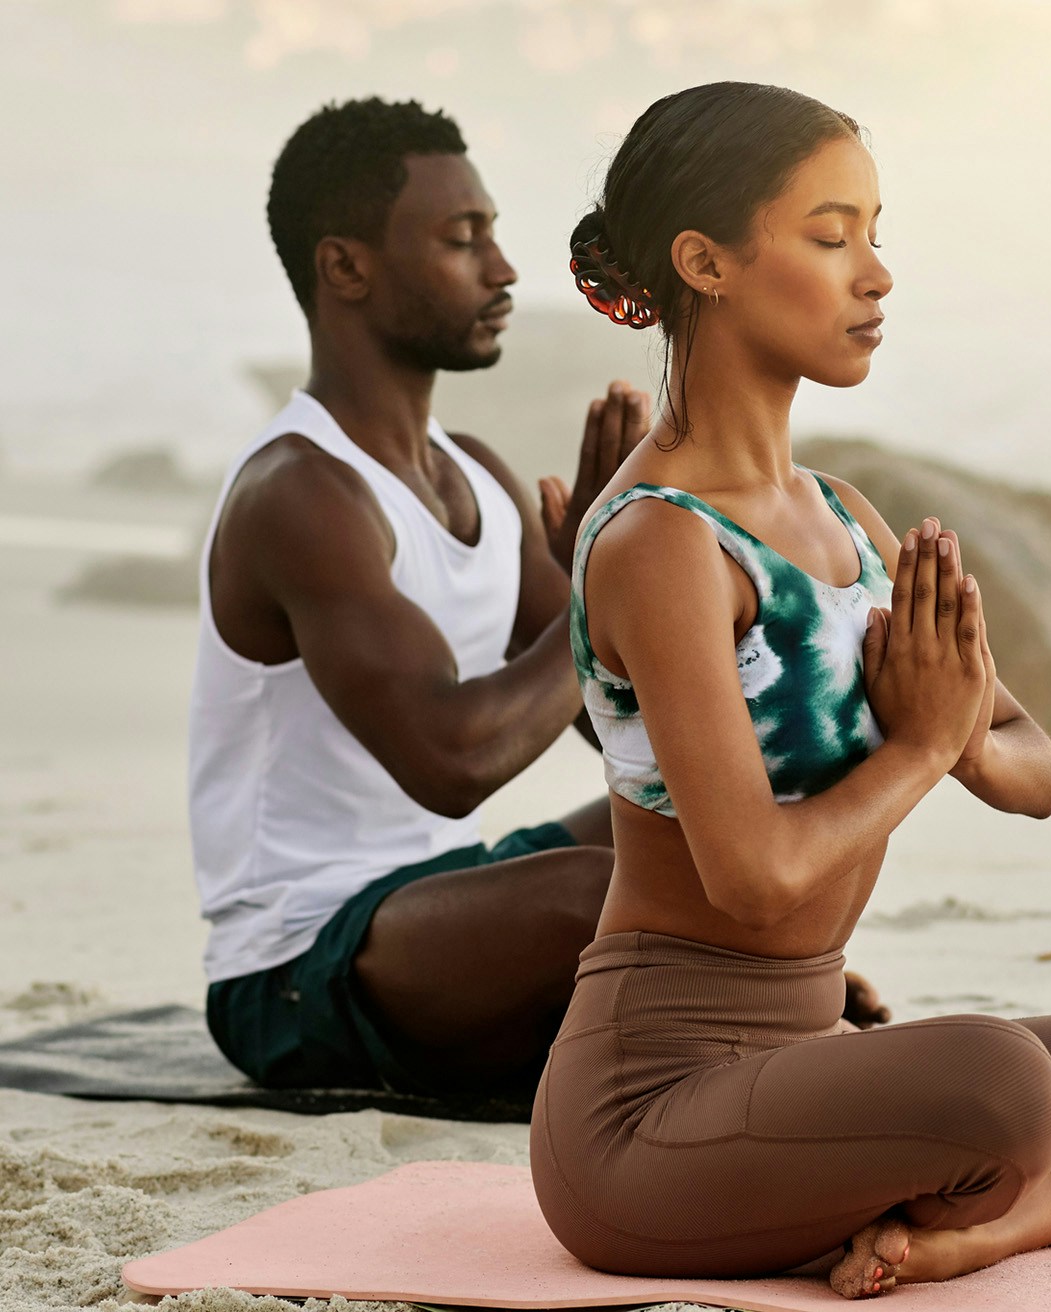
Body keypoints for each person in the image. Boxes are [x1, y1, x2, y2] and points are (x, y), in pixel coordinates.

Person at [529, 82, 1051, 1299]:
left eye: (878, 234)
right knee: (1002, 1085)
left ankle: (995, 1226)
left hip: (809, 1064)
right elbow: (755, 873)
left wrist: (961, 741)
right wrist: (924, 748)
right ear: (705, 263)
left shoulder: (844, 519)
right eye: (831, 237)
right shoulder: (661, 543)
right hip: (648, 1118)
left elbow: (1032, 766)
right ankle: (1001, 1194)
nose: (875, 274)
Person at [190, 97, 888, 1102]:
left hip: (447, 890)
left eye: (496, 234)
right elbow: (454, 758)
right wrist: (611, 587)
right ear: (345, 268)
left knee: (700, 823)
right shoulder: (300, 492)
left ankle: (767, 1005)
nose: (504, 268)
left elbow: (619, 740)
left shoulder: (473, 472)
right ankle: (779, 1017)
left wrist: (624, 621)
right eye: (461, 239)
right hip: (300, 960)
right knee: (591, 898)